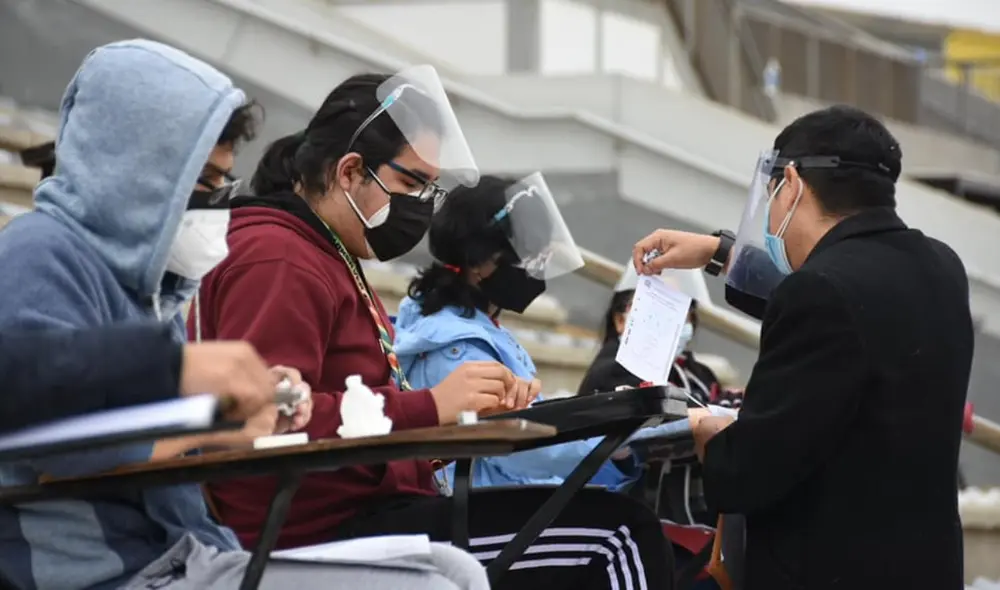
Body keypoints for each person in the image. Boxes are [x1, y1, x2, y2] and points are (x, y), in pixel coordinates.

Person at [0, 40, 486, 590]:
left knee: (454, 570)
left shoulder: (140, 284)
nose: (217, 202)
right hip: (115, 571)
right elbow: (55, 436)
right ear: (131, 164)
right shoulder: (41, 254)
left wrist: (244, 407)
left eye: (222, 182)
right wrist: (208, 412)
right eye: (203, 181)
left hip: (191, 551)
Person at [195, 72, 675, 589]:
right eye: (411, 183)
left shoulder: (329, 252)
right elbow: (268, 420)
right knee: (616, 536)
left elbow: (354, 438)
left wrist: (463, 424)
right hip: (316, 536)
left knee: (612, 525)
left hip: (368, 513)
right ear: (351, 170)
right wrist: (432, 407)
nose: (421, 204)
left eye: (429, 186)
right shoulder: (281, 259)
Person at [633, 105, 973, 590]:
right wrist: (719, 251)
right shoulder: (942, 267)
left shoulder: (819, 294)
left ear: (789, 182)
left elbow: (749, 472)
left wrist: (706, 430)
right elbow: (858, 311)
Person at [394, 173, 637, 490]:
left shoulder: (470, 325)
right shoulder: (454, 347)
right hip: (475, 512)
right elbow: (517, 446)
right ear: (479, 263)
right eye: (528, 257)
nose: (537, 267)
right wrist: (613, 441)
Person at [0, 323, 278, 430]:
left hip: (182, 536)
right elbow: (66, 462)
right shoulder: (43, 249)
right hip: (101, 547)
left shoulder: (161, 279)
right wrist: (172, 367)